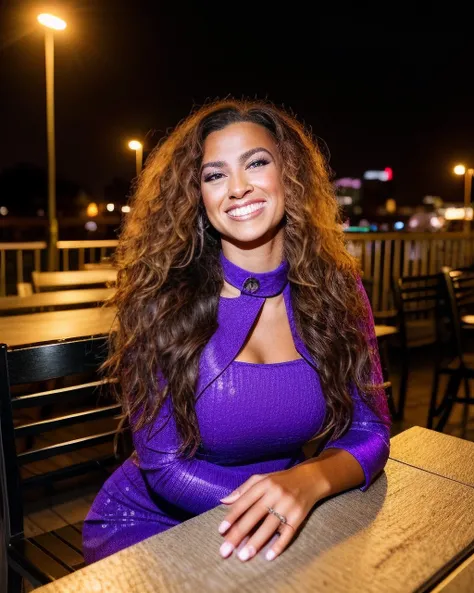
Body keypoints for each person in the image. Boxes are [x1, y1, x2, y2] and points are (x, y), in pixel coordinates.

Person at [83, 98, 391, 565]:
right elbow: (164, 467)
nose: (238, 188)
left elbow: (370, 430)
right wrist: (278, 506)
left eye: (256, 163)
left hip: (283, 514)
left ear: (290, 174)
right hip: (150, 528)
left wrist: (307, 484)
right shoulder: (161, 301)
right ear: (197, 196)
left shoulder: (337, 290)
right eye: (215, 174)